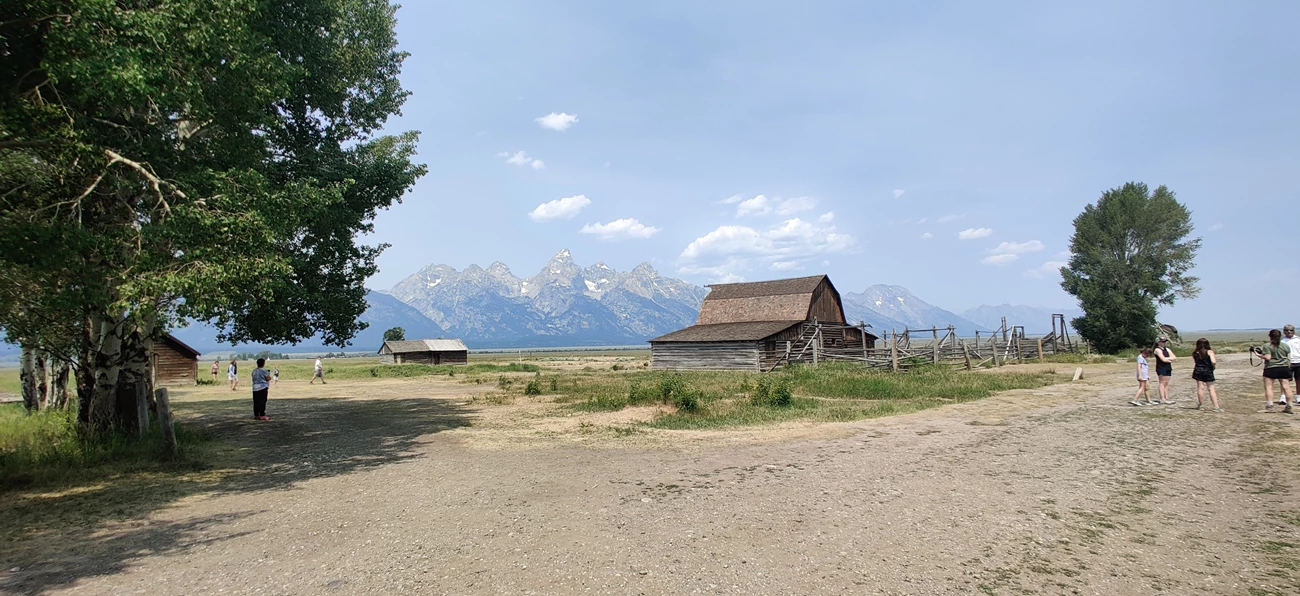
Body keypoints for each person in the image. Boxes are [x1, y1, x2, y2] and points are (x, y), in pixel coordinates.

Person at [1259, 329, 1293, 413]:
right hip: (1284, 367)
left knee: (1269, 387)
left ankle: (1270, 405)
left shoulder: (1267, 345)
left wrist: (1259, 355)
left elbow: (1268, 357)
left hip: (1271, 367)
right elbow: (1288, 357)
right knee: (1286, 387)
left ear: (1270, 336)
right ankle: (1289, 405)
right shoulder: (1285, 345)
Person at [1191, 338, 1221, 412]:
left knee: (1200, 388)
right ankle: (1216, 406)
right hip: (1207, 370)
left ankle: (1201, 405)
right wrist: (1213, 367)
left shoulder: (1195, 352)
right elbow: (1213, 361)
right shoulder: (1209, 352)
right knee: (1211, 388)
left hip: (1198, 370)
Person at [1153, 336, 1176, 405]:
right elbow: (1163, 359)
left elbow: (1174, 357)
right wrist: (1169, 359)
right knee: (1162, 383)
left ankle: (1166, 397)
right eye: (1162, 341)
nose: (1164, 343)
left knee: (1166, 383)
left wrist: (1167, 359)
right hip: (1161, 367)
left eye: (1165, 341)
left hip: (1168, 367)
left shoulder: (1167, 349)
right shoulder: (1157, 350)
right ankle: (1162, 398)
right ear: (1158, 342)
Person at [1284, 325, 1300, 400]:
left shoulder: (1298, 339)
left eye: (1290, 330)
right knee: (1285, 380)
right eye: (1287, 330)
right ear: (1284, 331)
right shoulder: (1282, 341)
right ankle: (1283, 396)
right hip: (1287, 362)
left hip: (1298, 361)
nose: (1289, 331)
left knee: (1298, 380)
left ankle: (1298, 396)